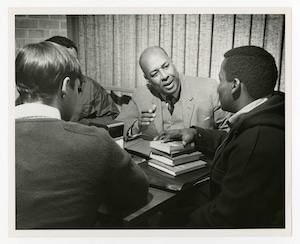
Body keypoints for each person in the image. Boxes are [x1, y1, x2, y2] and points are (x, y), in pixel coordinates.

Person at [15, 41, 149, 228]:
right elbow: (139, 191)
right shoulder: (94, 142)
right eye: (78, 89)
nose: (79, 95)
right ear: (65, 87)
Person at [155, 45, 285, 228]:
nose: (218, 88)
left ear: (235, 85)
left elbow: (223, 218)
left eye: (221, 80)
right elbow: (233, 141)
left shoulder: (256, 142)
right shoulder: (263, 114)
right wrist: (196, 133)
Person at [116, 46, 230, 141]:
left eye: (166, 66)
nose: (165, 76)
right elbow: (117, 129)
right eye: (155, 73)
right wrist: (137, 126)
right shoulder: (141, 94)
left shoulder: (208, 89)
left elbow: (230, 132)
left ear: (172, 63)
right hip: (155, 164)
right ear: (147, 79)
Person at [35, 35, 119, 122]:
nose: (74, 66)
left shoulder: (90, 87)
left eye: (75, 60)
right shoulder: (33, 88)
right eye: (68, 61)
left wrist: (83, 127)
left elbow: (112, 117)